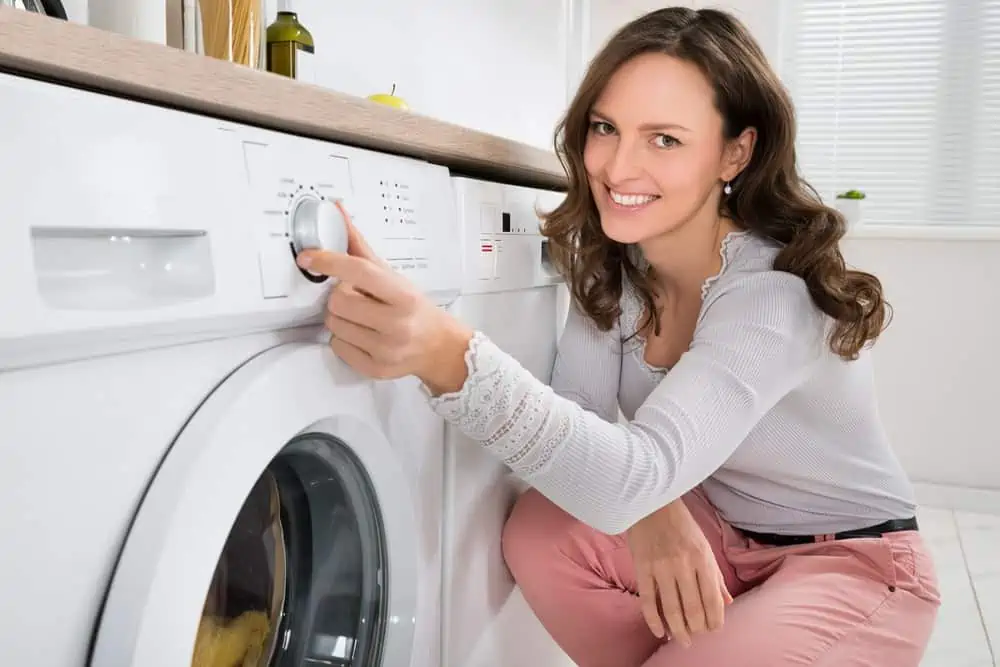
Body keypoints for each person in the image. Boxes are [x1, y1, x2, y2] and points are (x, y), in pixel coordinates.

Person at [294, 7, 941, 666]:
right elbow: (581, 409)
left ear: (735, 152)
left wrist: (445, 354)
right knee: (542, 531)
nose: (618, 166)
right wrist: (652, 509)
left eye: (664, 139)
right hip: (721, 528)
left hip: (851, 560)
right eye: (605, 128)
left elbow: (621, 470)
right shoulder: (623, 263)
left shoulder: (771, 295)